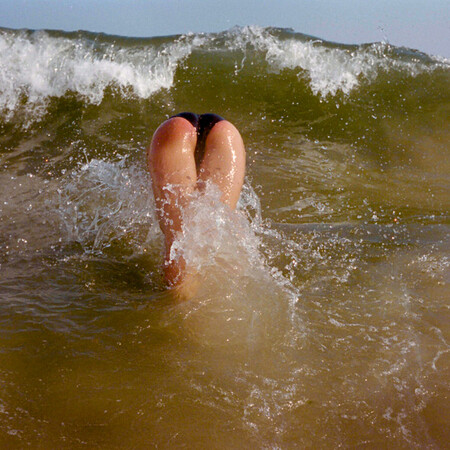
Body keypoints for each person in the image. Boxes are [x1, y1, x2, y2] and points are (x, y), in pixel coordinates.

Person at [147, 112, 246, 297]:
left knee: (180, 250)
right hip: (227, 133)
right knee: (203, 243)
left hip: (173, 129)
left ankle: (179, 304)